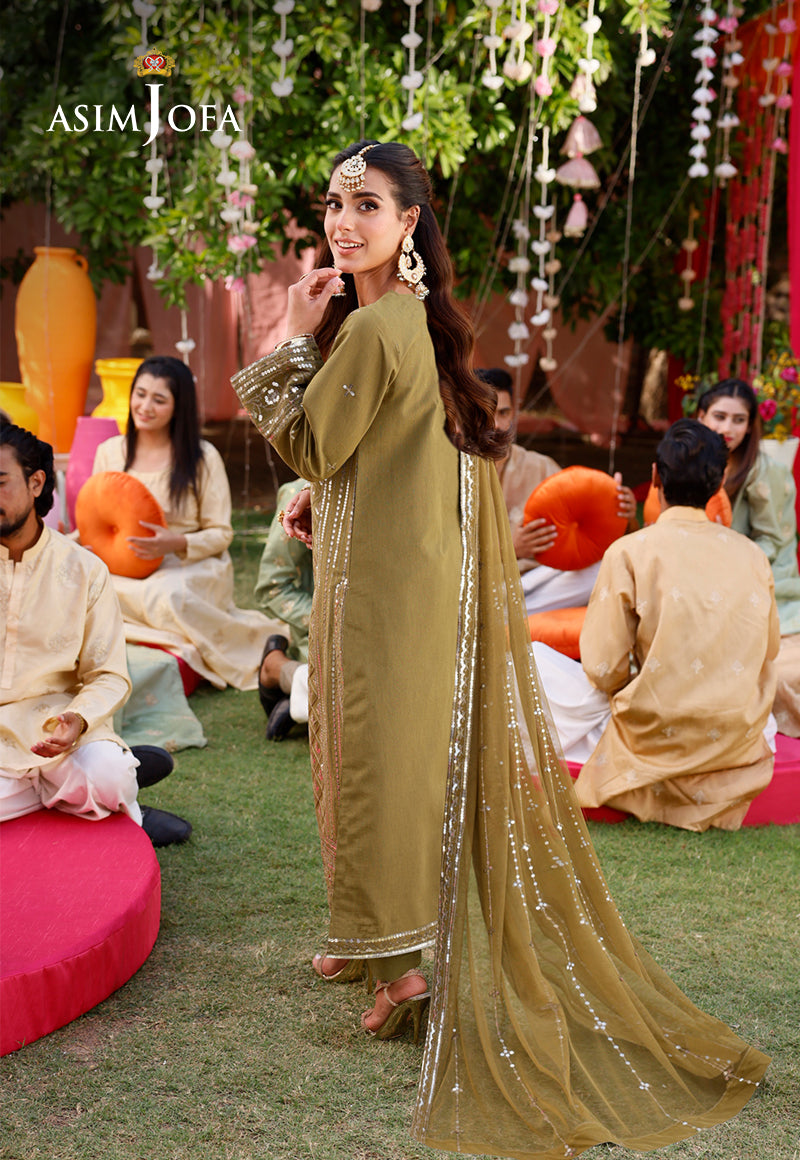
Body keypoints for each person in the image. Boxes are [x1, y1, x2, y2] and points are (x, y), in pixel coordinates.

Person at [232, 140, 768, 1157]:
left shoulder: (372, 326)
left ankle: (402, 971)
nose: (343, 221)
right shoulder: (413, 323)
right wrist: (325, 507)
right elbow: (407, 457)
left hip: (382, 593)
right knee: (378, 760)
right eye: (335, 203)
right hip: (397, 573)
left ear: (409, 223)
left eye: (367, 204)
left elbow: (311, 443)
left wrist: (287, 338)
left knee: (374, 767)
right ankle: (370, 941)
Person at [533, 419, 779, 830]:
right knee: (763, 718)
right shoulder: (753, 554)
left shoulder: (629, 551)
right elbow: (767, 651)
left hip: (651, 735)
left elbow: (603, 669)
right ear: (719, 482)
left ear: (654, 477)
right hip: (734, 733)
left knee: (529, 660)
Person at [0, 424, 189, 845]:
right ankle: (114, 800)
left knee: (110, 775)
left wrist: (79, 720)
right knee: (110, 779)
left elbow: (107, 673)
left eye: (0, 483)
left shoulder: (84, 570)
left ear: (35, 483)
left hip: (57, 727)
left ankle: (112, 780)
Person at [91, 356, 276, 691]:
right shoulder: (109, 452)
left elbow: (221, 534)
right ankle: (174, 641)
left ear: (178, 408)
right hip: (125, 568)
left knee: (167, 595)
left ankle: (250, 648)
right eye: (140, 394)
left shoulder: (203, 458)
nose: (145, 406)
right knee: (89, 587)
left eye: (159, 400)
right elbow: (98, 518)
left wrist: (174, 543)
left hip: (187, 565)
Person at [484, 367, 638, 613]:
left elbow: (591, 531)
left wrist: (621, 511)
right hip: (479, 584)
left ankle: (507, 617)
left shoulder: (540, 467)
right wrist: (509, 549)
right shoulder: (452, 472)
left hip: (536, 583)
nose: (496, 425)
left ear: (513, 413)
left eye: (503, 413)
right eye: (485, 413)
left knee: (607, 566)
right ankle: (503, 616)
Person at [697, 378, 800, 737]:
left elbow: (773, 543)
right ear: (701, 416)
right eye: (719, 416)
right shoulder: (691, 462)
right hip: (699, 572)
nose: (728, 428)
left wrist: (724, 561)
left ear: (750, 425)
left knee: (776, 671)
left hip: (755, 578)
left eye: (738, 420)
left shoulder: (765, 472)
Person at [255, 477, 312, 740]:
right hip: (332, 632)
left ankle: (301, 693)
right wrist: (334, 622)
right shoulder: (298, 494)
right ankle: (276, 667)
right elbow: (274, 587)